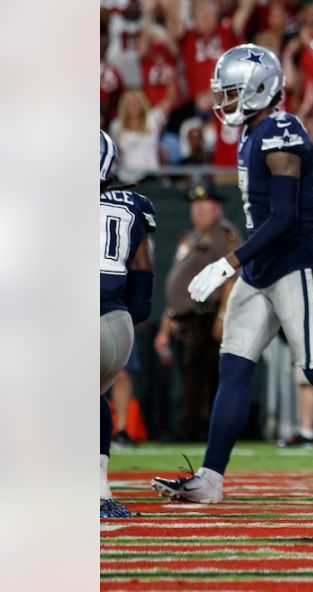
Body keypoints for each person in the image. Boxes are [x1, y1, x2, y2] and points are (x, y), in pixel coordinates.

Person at [152, 44, 313, 505]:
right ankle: (211, 477)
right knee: (234, 365)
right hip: (262, 267)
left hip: (294, 263)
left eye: (231, 93)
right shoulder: (254, 130)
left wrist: (229, 262)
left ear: (259, 90)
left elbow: (283, 218)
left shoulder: (281, 130)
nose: (223, 103)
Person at [154, 184, 243, 442]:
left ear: (217, 209)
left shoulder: (223, 234)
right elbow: (176, 286)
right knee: (190, 375)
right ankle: (191, 426)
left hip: (205, 315)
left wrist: (223, 316)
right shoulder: (189, 238)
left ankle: (201, 429)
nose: (199, 211)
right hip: (183, 318)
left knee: (203, 376)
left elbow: (231, 278)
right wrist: (165, 327)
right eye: (196, 206)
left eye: (205, 206)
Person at [100, 131, 156, 519]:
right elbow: (142, 266)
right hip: (118, 324)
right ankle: (99, 489)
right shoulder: (132, 204)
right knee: (94, 398)